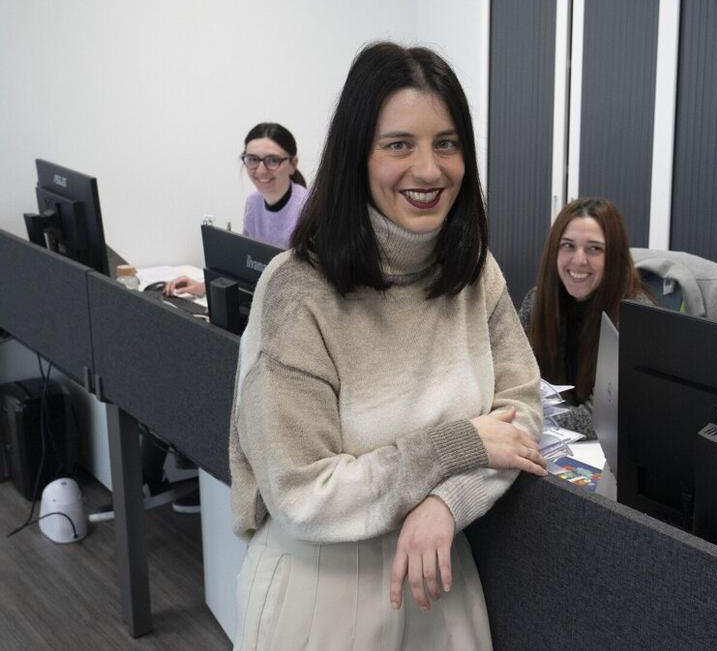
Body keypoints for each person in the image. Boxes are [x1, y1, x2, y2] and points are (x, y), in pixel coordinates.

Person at [228, 42, 546, 649]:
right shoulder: (298, 292)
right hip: (325, 590)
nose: (428, 170)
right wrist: (460, 445)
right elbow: (302, 493)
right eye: (399, 144)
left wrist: (449, 502)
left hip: (442, 577)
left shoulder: (476, 274)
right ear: (357, 154)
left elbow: (521, 419)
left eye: (446, 144)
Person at [518, 197, 655, 439]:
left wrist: (530, 413)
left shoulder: (634, 315)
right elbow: (511, 378)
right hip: (552, 443)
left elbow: (601, 417)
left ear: (614, 256)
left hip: (610, 453)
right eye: (568, 245)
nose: (579, 260)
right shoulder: (537, 301)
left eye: (594, 249)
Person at [164, 122, 309, 296]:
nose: (261, 170)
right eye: (253, 159)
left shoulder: (309, 209)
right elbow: (246, 268)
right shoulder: (253, 203)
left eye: (272, 160)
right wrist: (206, 286)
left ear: (293, 164)